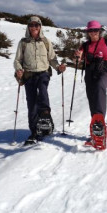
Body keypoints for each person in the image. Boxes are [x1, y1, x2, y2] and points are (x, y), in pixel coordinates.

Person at [14, 16, 66, 145]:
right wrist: (19, 70)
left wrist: (58, 67)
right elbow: (17, 60)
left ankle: (45, 116)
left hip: (43, 73)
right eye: (31, 25)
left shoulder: (46, 42)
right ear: (28, 27)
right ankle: (34, 132)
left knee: (43, 91)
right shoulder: (23, 42)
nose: (34, 28)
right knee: (31, 104)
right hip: (29, 75)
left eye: (36, 25)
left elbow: (52, 59)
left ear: (40, 26)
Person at [75, 20, 107, 121]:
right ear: (88, 32)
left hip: (105, 72)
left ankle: (100, 120)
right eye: (91, 30)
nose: (93, 32)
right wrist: (77, 57)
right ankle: (95, 122)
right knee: (91, 97)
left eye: (95, 30)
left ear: (99, 31)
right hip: (90, 73)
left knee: (99, 86)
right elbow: (78, 59)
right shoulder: (85, 45)